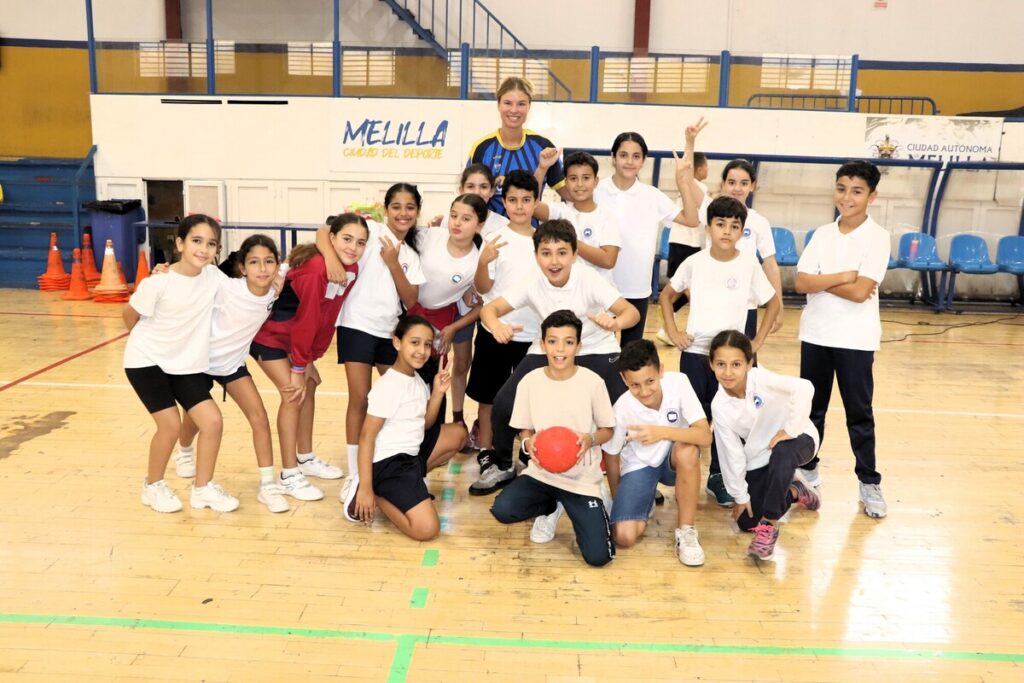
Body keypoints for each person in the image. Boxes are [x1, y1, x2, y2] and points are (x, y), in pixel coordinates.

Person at [471, 219, 640, 495]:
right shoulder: (532, 281)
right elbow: (489, 309)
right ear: (536, 255)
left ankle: (632, 469)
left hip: (596, 347)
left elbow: (631, 312)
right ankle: (503, 465)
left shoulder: (588, 279)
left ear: (574, 254)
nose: (554, 260)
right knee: (504, 403)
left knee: (624, 408)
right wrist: (497, 325)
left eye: (562, 252)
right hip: (549, 350)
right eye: (546, 253)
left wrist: (615, 323)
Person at [659, 191, 780, 508]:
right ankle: (683, 473)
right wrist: (674, 332)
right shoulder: (694, 262)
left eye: (734, 225)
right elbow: (667, 296)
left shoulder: (748, 265)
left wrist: (756, 344)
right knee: (693, 419)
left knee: (730, 421)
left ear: (742, 231)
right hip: (696, 354)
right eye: (720, 224)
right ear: (708, 227)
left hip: (730, 361)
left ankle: (719, 478)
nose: (727, 231)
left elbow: (773, 302)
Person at [250, 214, 368, 510]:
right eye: (347, 239)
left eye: (360, 242)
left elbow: (325, 318)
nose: (353, 247)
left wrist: (309, 360)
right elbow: (307, 320)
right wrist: (299, 366)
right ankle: (289, 474)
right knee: (293, 393)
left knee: (310, 387)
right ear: (331, 238)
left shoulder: (348, 268)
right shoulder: (317, 268)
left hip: (294, 341)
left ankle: (305, 458)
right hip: (271, 337)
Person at [794, 160, 889, 519]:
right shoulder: (822, 234)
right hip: (816, 334)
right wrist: (843, 276)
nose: (846, 197)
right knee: (811, 411)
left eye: (857, 191)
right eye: (842, 188)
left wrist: (826, 280)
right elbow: (801, 283)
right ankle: (808, 470)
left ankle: (869, 481)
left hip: (856, 339)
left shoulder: (878, 237)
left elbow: (862, 291)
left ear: (872, 196)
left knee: (859, 414)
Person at [123, 215, 237, 513]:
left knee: (212, 422)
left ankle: (203, 489)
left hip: (185, 364)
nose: (203, 249)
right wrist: (151, 342)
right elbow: (129, 316)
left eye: (211, 244)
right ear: (180, 244)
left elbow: (242, 294)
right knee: (171, 426)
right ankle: (153, 486)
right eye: (196, 241)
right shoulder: (159, 281)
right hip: (146, 361)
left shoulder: (214, 278)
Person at [169, 234, 286, 512]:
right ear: (243, 268)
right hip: (198, 361)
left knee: (259, 417)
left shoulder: (274, 289)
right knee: (196, 421)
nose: (263, 268)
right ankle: (184, 451)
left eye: (269, 262)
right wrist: (164, 268)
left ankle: (267, 486)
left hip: (232, 364)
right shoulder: (225, 286)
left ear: (277, 265)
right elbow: (191, 270)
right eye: (254, 262)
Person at [490, 310, 616, 567]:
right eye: (553, 341)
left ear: (578, 346)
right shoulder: (529, 381)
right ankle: (551, 506)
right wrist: (528, 442)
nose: (560, 349)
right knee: (503, 510)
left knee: (598, 557)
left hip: (581, 479)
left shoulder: (593, 383)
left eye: (568, 342)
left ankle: (586, 499)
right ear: (542, 343)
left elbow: (608, 430)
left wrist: (590, 439)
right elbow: (523, 428)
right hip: (542, 474)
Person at [318, 184, 426, 480]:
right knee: (360, 397)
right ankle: (355, 472)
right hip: (356, 325)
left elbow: (412, 299)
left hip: (389, 331)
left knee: (401, 393)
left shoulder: (411, 255)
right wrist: (329, 258)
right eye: (396, 206)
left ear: (417, 212)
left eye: (410, 207)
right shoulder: (371, 230)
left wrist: (393, 264)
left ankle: (390, 456)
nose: (403, 213)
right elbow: (323, 231)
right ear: (386, 208)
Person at [343, 316, 468, 540]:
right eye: (415, 342)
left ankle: (406, 490)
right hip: (389, 464)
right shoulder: (389, 386)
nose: (422, 350)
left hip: (411, 455)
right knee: (427, 530)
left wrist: (438, 392)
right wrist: (366, 490)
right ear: (397, 343)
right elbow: (366, 437)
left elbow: (426, 424)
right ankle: (377, 493)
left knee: (458, 434)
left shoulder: (417, 380)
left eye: (427, 344)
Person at [709, 330, 822, 560]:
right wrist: (740, 496)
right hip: (761, 455)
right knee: (746, 521)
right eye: (721, 364)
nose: (728, 372)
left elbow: (805, 387)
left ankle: (769, 526)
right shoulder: (720, 405)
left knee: (783, 451)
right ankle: (794, 490)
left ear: (749, 364)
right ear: (711, 364)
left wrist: (790, 429)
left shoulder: (761, 379)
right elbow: (731, 454)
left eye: (736, 364)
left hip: (800, 439)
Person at [602, 340, 712, 566]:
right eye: (635, 385)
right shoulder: (621, 408)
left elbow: (704, 437)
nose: (644, 391)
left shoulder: (679, 383)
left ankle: (686, 531)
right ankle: (646, 499)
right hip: (640, 466)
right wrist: (617, 497)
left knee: (688, 451)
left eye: (650, 381)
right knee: (625, 537)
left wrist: (660, 432)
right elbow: (611, 457)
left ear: (661, 370)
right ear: (624, 380)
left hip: (673, 459)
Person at [465, 171, 544, 484]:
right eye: (513, 200)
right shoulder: (494, 239)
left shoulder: (545, 240)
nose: (520, 206)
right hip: (494, 331)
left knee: (530, 400)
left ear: (536, 202)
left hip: (534, 336)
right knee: (489, 397)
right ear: (504, 202)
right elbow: (483, 288)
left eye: (526, 200)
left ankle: (527, 455)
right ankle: (488, 454)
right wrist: (483, 262)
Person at [678, 128, 784, 339]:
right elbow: (687, 179)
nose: (737, 188)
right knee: (708, 360)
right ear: (723, 184)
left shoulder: (759, 222)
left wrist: (778, 304)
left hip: (746, 305)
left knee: (741, 364)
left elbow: (770, 265)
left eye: (744, 183)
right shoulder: (710, 208)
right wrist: (690, 143)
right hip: (710, 301)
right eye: (732, 182)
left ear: (753, 186)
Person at [429, 165, 508, 445]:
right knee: (447, 363)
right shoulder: (443, 225)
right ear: (461, 188)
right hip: (447, 308)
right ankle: (451, 417)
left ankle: (474, 421)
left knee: (475, 365)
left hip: (484, 307)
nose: (477, 191)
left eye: (483, 187)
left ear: (492, 191)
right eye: (471, 186)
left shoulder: (502, 225)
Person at [593, 131, 695, 346]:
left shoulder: (652, 195)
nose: (629, 161)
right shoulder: (596, 190)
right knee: (598, 353)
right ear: (613, 157)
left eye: (636, 156)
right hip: (599, 285)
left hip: (636, 287)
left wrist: (683, 182)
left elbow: (691, 219)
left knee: (631, 354)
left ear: (643, 161)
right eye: (623, 155)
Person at [408, 193, 485, 432]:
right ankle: (405, 429)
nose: (457, 223)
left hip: (441, 322)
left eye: (466, 218)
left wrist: (452, 328)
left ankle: (433, 433)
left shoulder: (478, 261)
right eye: (453, 216)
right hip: (409, 314)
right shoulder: (430, 236)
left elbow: (480, 304)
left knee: (434, 379)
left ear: (479, 224)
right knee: (406, 376)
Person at [466, 76, 568, 218]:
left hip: (530, 236)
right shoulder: (482, 148)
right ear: (498, 104)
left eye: (521, 104)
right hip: (489, 236)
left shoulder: (543, 147)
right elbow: (468, 198)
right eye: (508, 103)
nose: (514, 110)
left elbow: (570, 194)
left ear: (529, 106)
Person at [534, 150, 621, 283]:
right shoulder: (561, 212)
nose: (580, 184)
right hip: (567, 295)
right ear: (566, 182)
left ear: (596, 181)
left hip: (598, 297)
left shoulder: (607, 216)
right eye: (573, 178)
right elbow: (532, 205)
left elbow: (608, 260)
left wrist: (570, 241)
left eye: (586, 178)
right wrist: (542, 168)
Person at [655, 152, 708, 346]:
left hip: (677, 242)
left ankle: (669, 325)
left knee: (683, 288)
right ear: (700, 168)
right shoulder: (698, 186)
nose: (708, 170)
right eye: (706, 166)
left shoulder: (686, 185)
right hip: (688, 244)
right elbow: (705, 211)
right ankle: (673, 327)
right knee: (688, 289)